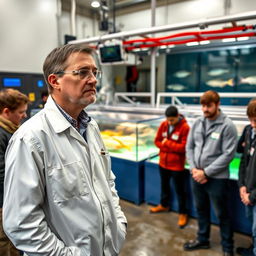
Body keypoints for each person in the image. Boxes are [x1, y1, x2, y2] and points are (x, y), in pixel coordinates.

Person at [3, 43, 127, 255]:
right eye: (82, 72)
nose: (94, 79)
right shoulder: (30, 139)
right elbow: (21, 224)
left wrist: (119, 224)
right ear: (55, 81)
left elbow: (107, 181)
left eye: (95, 72)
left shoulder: (91, 127)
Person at [183, 90, 237, 256]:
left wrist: (205, 173)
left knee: (222, 214)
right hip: (196, 176)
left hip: (217, 179)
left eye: (209, 106)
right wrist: (194, 168)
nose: (205, 109)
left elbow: (228, 154)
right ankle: (203, 239)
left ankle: (228, 248)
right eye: (203, 105)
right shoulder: (198, 123)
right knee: (201, 209)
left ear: (218, 105)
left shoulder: (227, 126)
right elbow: (189, 146)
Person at [150, 105, 190, 228]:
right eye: (168, 120)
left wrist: (167, 143)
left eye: (172, 120)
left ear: (178, 116)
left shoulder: (185, 127)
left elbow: (183, 148)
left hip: (177, 166)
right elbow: (156, 141)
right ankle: (164, 205)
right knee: (164, 186)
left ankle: (183, 213)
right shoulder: (163, 125)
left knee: (180, 191)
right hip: (163, 163)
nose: (169, 122)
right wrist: (167, 146)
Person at [0, 88, 29, 256]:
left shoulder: (10, 129)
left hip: (10, 198)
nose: (24, 115)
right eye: (21, 112)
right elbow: (2, 173)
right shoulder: (2, 134)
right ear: (6, 112)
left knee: (12, 237)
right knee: (4, 238)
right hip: (3, 201)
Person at [236, 99, 256, 256]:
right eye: (250, 120)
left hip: (253, 194)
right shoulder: (249, 131)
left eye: (255, 120)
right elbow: (243, 160)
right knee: (253, 225)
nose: (252, 124)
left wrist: (252, 195)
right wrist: (242, 186)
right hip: (247, 190)